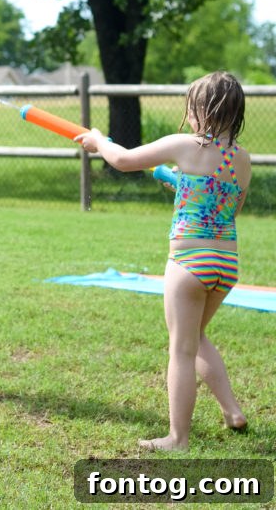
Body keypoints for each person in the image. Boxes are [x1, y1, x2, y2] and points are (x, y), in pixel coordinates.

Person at [77, 71, 250, 451]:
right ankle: (232, 410)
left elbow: (122, 160)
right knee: (197, 337)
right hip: (225, 264)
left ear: (198, 110)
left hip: (188, 262)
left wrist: (98, 141)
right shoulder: (241, 159)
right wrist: (181, 182)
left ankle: (178, 438)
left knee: (182, 349)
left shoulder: (184, 144)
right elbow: (226, 207)